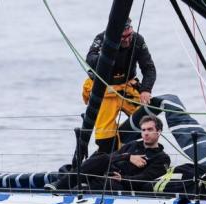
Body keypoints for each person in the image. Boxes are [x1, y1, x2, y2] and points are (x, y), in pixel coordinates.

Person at [83, 18, 156, 153]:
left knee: (150, 122)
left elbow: (149, 68)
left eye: (129, 35)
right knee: (104, 137)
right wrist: (109, 52)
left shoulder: (138, 40)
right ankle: (112, 158)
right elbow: (90, 59)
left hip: (127, 86)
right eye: (123, 38)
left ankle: (147, 154)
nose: (127, 40)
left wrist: (146, 90)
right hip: (106, 90)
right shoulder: (102, 38)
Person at [48, 115, 170, 192]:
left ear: (158, 132)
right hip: (105, 172)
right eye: (143, 130)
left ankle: (74, 189)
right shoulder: (132, 145)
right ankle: (60, 186)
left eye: (150, 129)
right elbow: (112, 157)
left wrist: (122, 179)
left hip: (121, 183)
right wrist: (128, 157)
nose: (146, 133)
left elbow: (146, 178)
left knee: (104, 180)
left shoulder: (162, 157)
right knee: (101, 157)